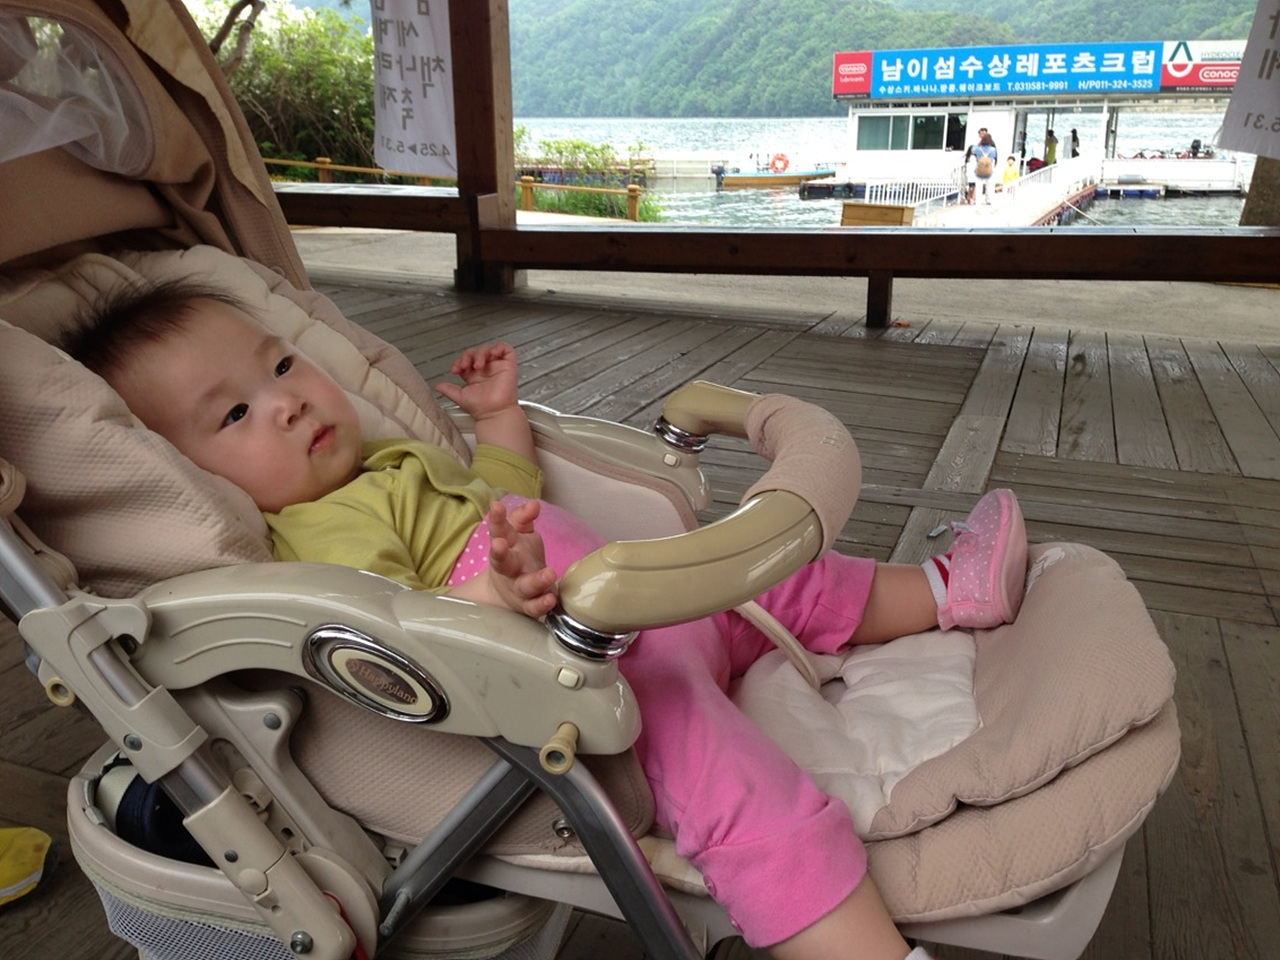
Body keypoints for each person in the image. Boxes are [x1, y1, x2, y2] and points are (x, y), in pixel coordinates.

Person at [65, 280, 1031, 960]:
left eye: (281, 364)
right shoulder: (315, 535)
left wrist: (496, 416)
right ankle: (858, 945)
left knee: (779, 579)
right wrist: (486, 599)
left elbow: (506, 484)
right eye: (234, 415)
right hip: (595, 678)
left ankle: (946, 589)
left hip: (648, 602)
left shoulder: (392, 465)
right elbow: (389, 635)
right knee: (731, 778)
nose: (284, 402)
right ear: (193, 472)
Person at [962, 125, 988, 204]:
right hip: (971, 174)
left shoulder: (986, 145)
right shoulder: (969, 157)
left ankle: (972, 199)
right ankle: (970, 198)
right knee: (972, 187)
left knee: (975, 186)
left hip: (977, 172)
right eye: (981, 133)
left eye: (984, 134)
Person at [971, 132, 998, 205]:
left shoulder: (977, 148)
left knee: (979, 185)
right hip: (989, 169)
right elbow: (994, 157)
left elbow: (972, 151)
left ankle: (978, 200)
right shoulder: (993, 149)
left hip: (979, 169)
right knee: (989, 185)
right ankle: (988, 199)